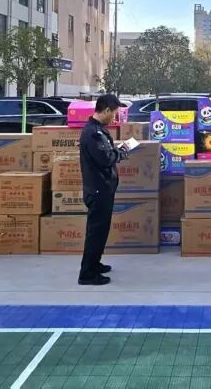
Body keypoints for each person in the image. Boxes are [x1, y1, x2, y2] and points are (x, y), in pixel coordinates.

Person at [78, 94, 127, 286]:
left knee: (101, 231)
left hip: (103, 189)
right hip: (98, 190)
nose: (114, 118)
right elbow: (105, 159)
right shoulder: (93, 133)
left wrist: (116, 152)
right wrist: (121, 153)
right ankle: (87, 274)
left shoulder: (98, 130)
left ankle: (94, 264)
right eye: (114, 113)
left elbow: (106, 153)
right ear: (106, 110)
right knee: (96, 233)